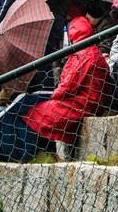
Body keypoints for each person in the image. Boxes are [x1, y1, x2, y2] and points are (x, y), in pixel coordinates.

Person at [22, 11, 109, 146]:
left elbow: (69, 85)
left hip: (83, 102)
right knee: (37, 109)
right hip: (87, 100)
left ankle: (38, 151)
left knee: (35, 112)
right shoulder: (88, 51)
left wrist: (53, 96)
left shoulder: (83, 53)